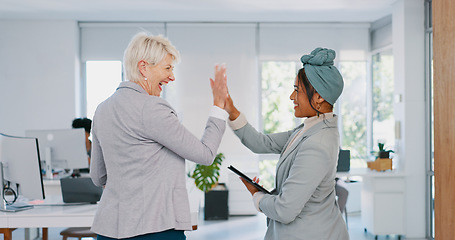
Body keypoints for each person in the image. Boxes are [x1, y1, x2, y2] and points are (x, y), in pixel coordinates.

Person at [89, 32, 228, 240]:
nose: (172, 76)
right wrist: (219, 106)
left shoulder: (102, 109)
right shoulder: (152, 108)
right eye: (167, 68)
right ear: (144, 67)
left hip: (108, 231)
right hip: (154, 230)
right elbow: (206, 154)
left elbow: (98, 176)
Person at [225, 48, 349, 239]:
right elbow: (262, 143)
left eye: (297, 90)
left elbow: (285, 210)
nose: (292, 96)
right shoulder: (306, 129)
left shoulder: (318, 144)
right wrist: (231, 110)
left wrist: (257, 196)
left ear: (319, 97)